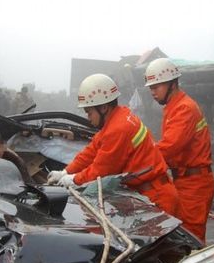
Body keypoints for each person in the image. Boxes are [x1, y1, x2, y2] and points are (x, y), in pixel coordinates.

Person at [47, 74, 180, 217]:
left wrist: (73, 180)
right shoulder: (118, 117)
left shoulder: (118, 129)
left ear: (103, 108)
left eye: (89, 112)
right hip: (150, 193)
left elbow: (100, 170)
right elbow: (90, 152)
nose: (88, 117)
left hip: (157, 198)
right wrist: (65, 172)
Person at [144, 58, 214, 242]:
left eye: (156, 87)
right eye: (151, 87)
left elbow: (169, 148)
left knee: (191, 239)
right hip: (185, 180)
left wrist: (140, 159)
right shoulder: (174, 106)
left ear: (172, 84)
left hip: (194, 184)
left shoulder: (184, 108)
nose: (152, 92)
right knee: (180, 237)